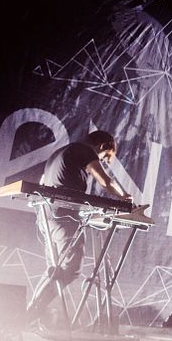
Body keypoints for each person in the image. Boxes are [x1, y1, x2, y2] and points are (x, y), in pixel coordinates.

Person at [26, 130, 131, 327]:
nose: (104, 161)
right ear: (102, 146)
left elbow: (44, 183)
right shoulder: (84, 150)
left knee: (55, 270)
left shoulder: (60, 152)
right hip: (63, 215)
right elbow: (105, 181)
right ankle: (31, 313)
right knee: (72, 269)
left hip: (46, 216)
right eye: (105, 157)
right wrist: (126, 199)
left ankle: (29, 313)